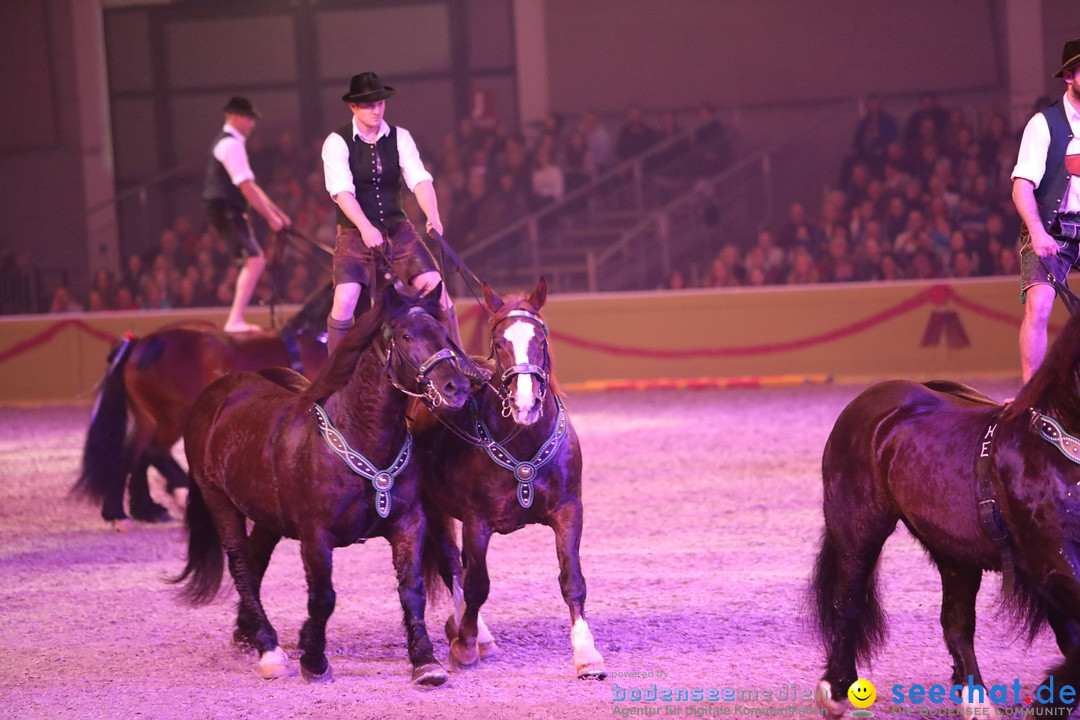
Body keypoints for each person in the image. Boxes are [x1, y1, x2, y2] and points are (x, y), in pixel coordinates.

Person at [321, 72, 455, 354]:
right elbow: (342, 192)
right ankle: (335, 373)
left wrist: (433, 215)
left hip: (399, 232)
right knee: (345, 300)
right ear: (353, 107)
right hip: (354, 234)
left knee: (439, 293)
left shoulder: (399, 137)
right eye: (369, 105)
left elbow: (419, 179)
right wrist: (365, 227)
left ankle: (457, 361)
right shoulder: (337, 142)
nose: (376, 110)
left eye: (380, 103)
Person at [1013, 38, 1080, 382]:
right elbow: (1021, 185)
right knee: (1039, 306)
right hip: (1051, 228)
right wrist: (1037, 233)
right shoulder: (1044, 124)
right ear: (1069, 76)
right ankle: (1031, 394)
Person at [202, 96, 292, 333]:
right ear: (236, 117)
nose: (252, 124)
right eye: (249, 118)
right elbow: (246, 187)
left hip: (229, 208)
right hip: (226, 208)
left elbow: (251, 185)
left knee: (255, 259)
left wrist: (277, 213)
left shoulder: (232, 143)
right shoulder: (231, 145)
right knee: (255, 259)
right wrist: (271, 219)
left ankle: (236, 319)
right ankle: (235, 320)